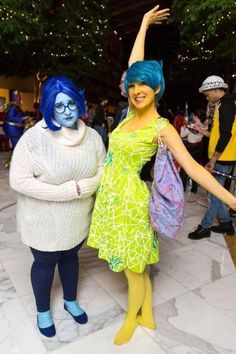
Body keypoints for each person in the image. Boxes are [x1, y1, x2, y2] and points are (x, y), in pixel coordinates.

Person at [87, 5, 236, 346]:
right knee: (131, 264)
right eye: (133, 84)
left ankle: (132, 317)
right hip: (111, 199)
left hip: (134, 202)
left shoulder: (161, 127)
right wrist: (141, 25)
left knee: (134, 267)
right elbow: (134, 65)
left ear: (157, 89)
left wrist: (230, 198)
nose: (137, 88)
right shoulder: (126, 116)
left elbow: (195, 168)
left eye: (145, 85)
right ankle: (148, 309)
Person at [9, 76, 106, 337]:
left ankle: (70, 301)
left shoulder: (93, 136)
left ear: (80, 103)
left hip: (77, 216)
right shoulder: (34, 139)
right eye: (59, 106)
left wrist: (85, 187)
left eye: (71, 103)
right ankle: (43, 310)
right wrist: (65, 191)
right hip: (42, 219)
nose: (66, 111)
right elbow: (18, 180)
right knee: (45, 262)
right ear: (49, 107)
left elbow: (102, 168)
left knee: (70, 257)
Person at [188, 75, 236, 239]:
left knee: (214, 194)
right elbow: (216, 135)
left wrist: (213, 160)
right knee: (214, 192)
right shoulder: (222, 104)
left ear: (216, 89)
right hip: (222, 156)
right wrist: (201, 130)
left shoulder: (227, 106)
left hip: (223, 158)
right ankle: (226, 223)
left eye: (207, 92)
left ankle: (205, 226)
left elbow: (225, 136)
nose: (205, 95)